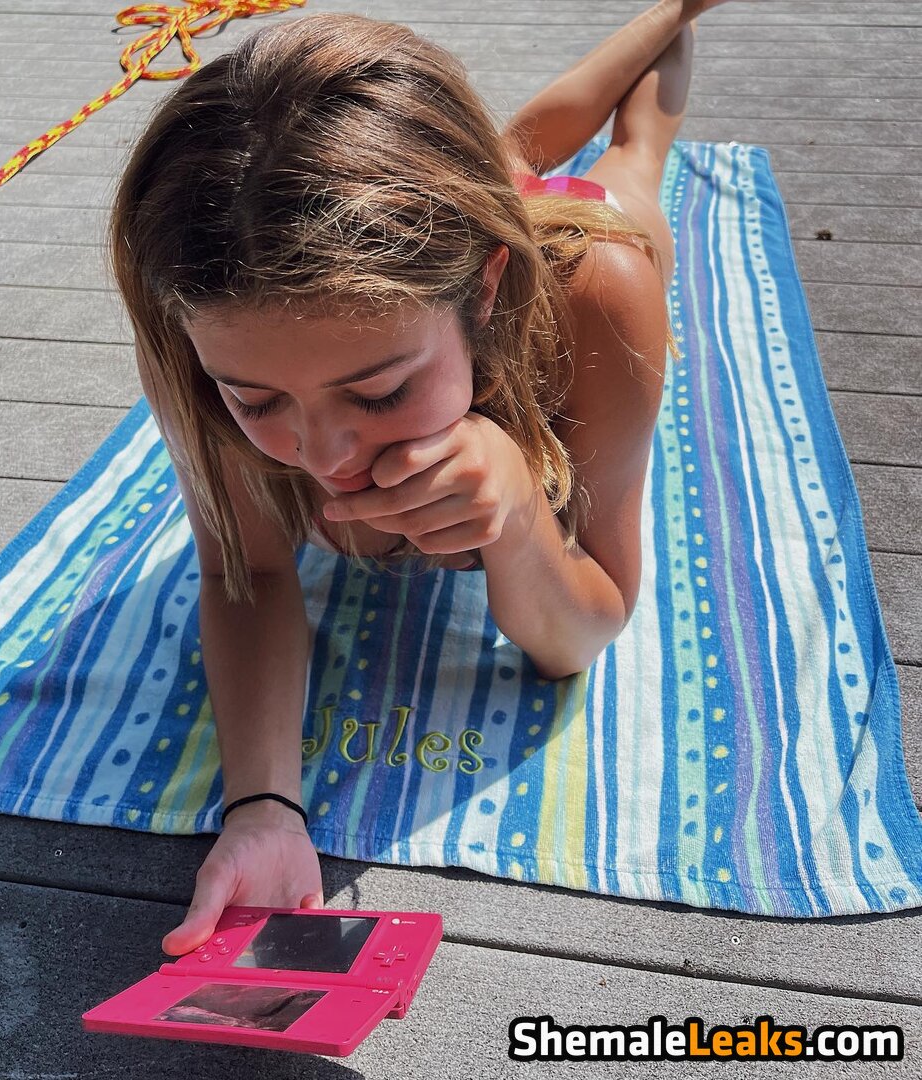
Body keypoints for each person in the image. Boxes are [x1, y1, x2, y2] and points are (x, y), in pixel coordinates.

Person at [106, 0, 729, 956]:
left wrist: (519, 511)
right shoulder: (206, 331)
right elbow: (248, 571)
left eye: (380, 391)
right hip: (458, 234)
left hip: (562, 249)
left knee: (628, 162)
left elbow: (581, 636)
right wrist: (264, 807)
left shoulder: (598, 292)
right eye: (258, 401)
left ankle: (674, 11)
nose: (323, 456)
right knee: (508, 149)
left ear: (484, 288)